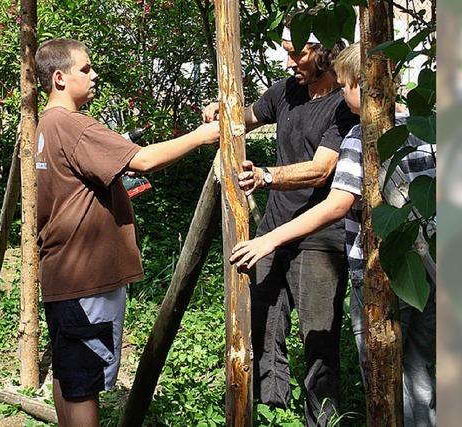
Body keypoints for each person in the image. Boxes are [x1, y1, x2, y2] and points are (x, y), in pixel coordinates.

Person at [230, 42, 437, 426]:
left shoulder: (361, 133)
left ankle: (327, 418)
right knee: (419, 374)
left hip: (374, 269)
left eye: (346, 85)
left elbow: (334, 198)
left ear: (362, 84)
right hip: (428, 271)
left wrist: (267, 229)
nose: (343, 94)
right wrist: (221, 115)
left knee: (378, 370)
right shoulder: (430, 127)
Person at [34, 38, 220, 427]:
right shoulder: (73, 125)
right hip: (87, 278)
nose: (94, 74)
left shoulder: (46, 124)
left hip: (61, 272)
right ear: (59, 78)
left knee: (69, 375)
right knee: (84, 381)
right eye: (85, 69)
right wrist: (202, 136)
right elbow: (144, 159)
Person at [203, 28, 358, 425]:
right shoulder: (284, 91)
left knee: (317, 338)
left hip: (320, 240)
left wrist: (268, 176)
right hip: (273, 232)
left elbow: (323, 169)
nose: (289, 63)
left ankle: (320, 418)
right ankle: (271, 411)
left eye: (296, 55)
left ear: (321, 51)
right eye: (286, 54)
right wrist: (221, 111)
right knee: (263, 326)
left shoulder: (344, 104)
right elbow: (245, 118)